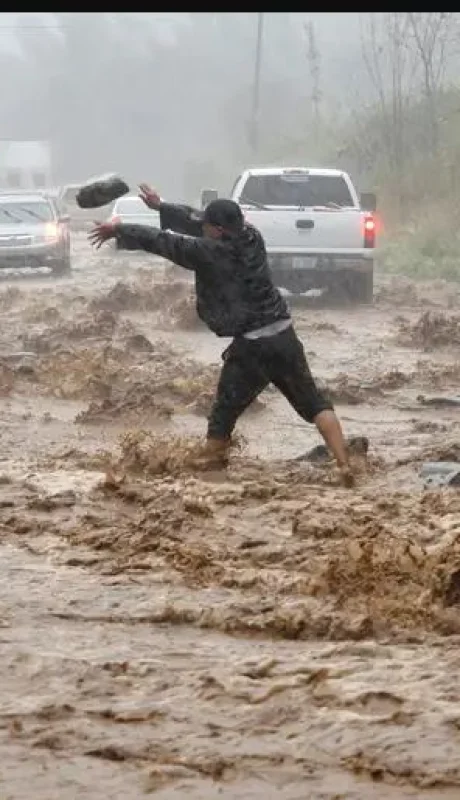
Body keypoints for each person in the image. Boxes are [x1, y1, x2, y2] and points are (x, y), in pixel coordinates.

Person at [89, 185, 355, 486]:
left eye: (207, 227)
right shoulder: (252, 236)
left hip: (252, 347)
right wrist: (161, 206)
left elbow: (163, 242)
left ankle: (210, 477)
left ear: (216, 230)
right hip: (284, 336)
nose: (202, 228)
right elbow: (194, 221)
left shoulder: (209, 253)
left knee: (222, 416)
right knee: (315, 404)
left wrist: (119, 229)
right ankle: (344, 465)